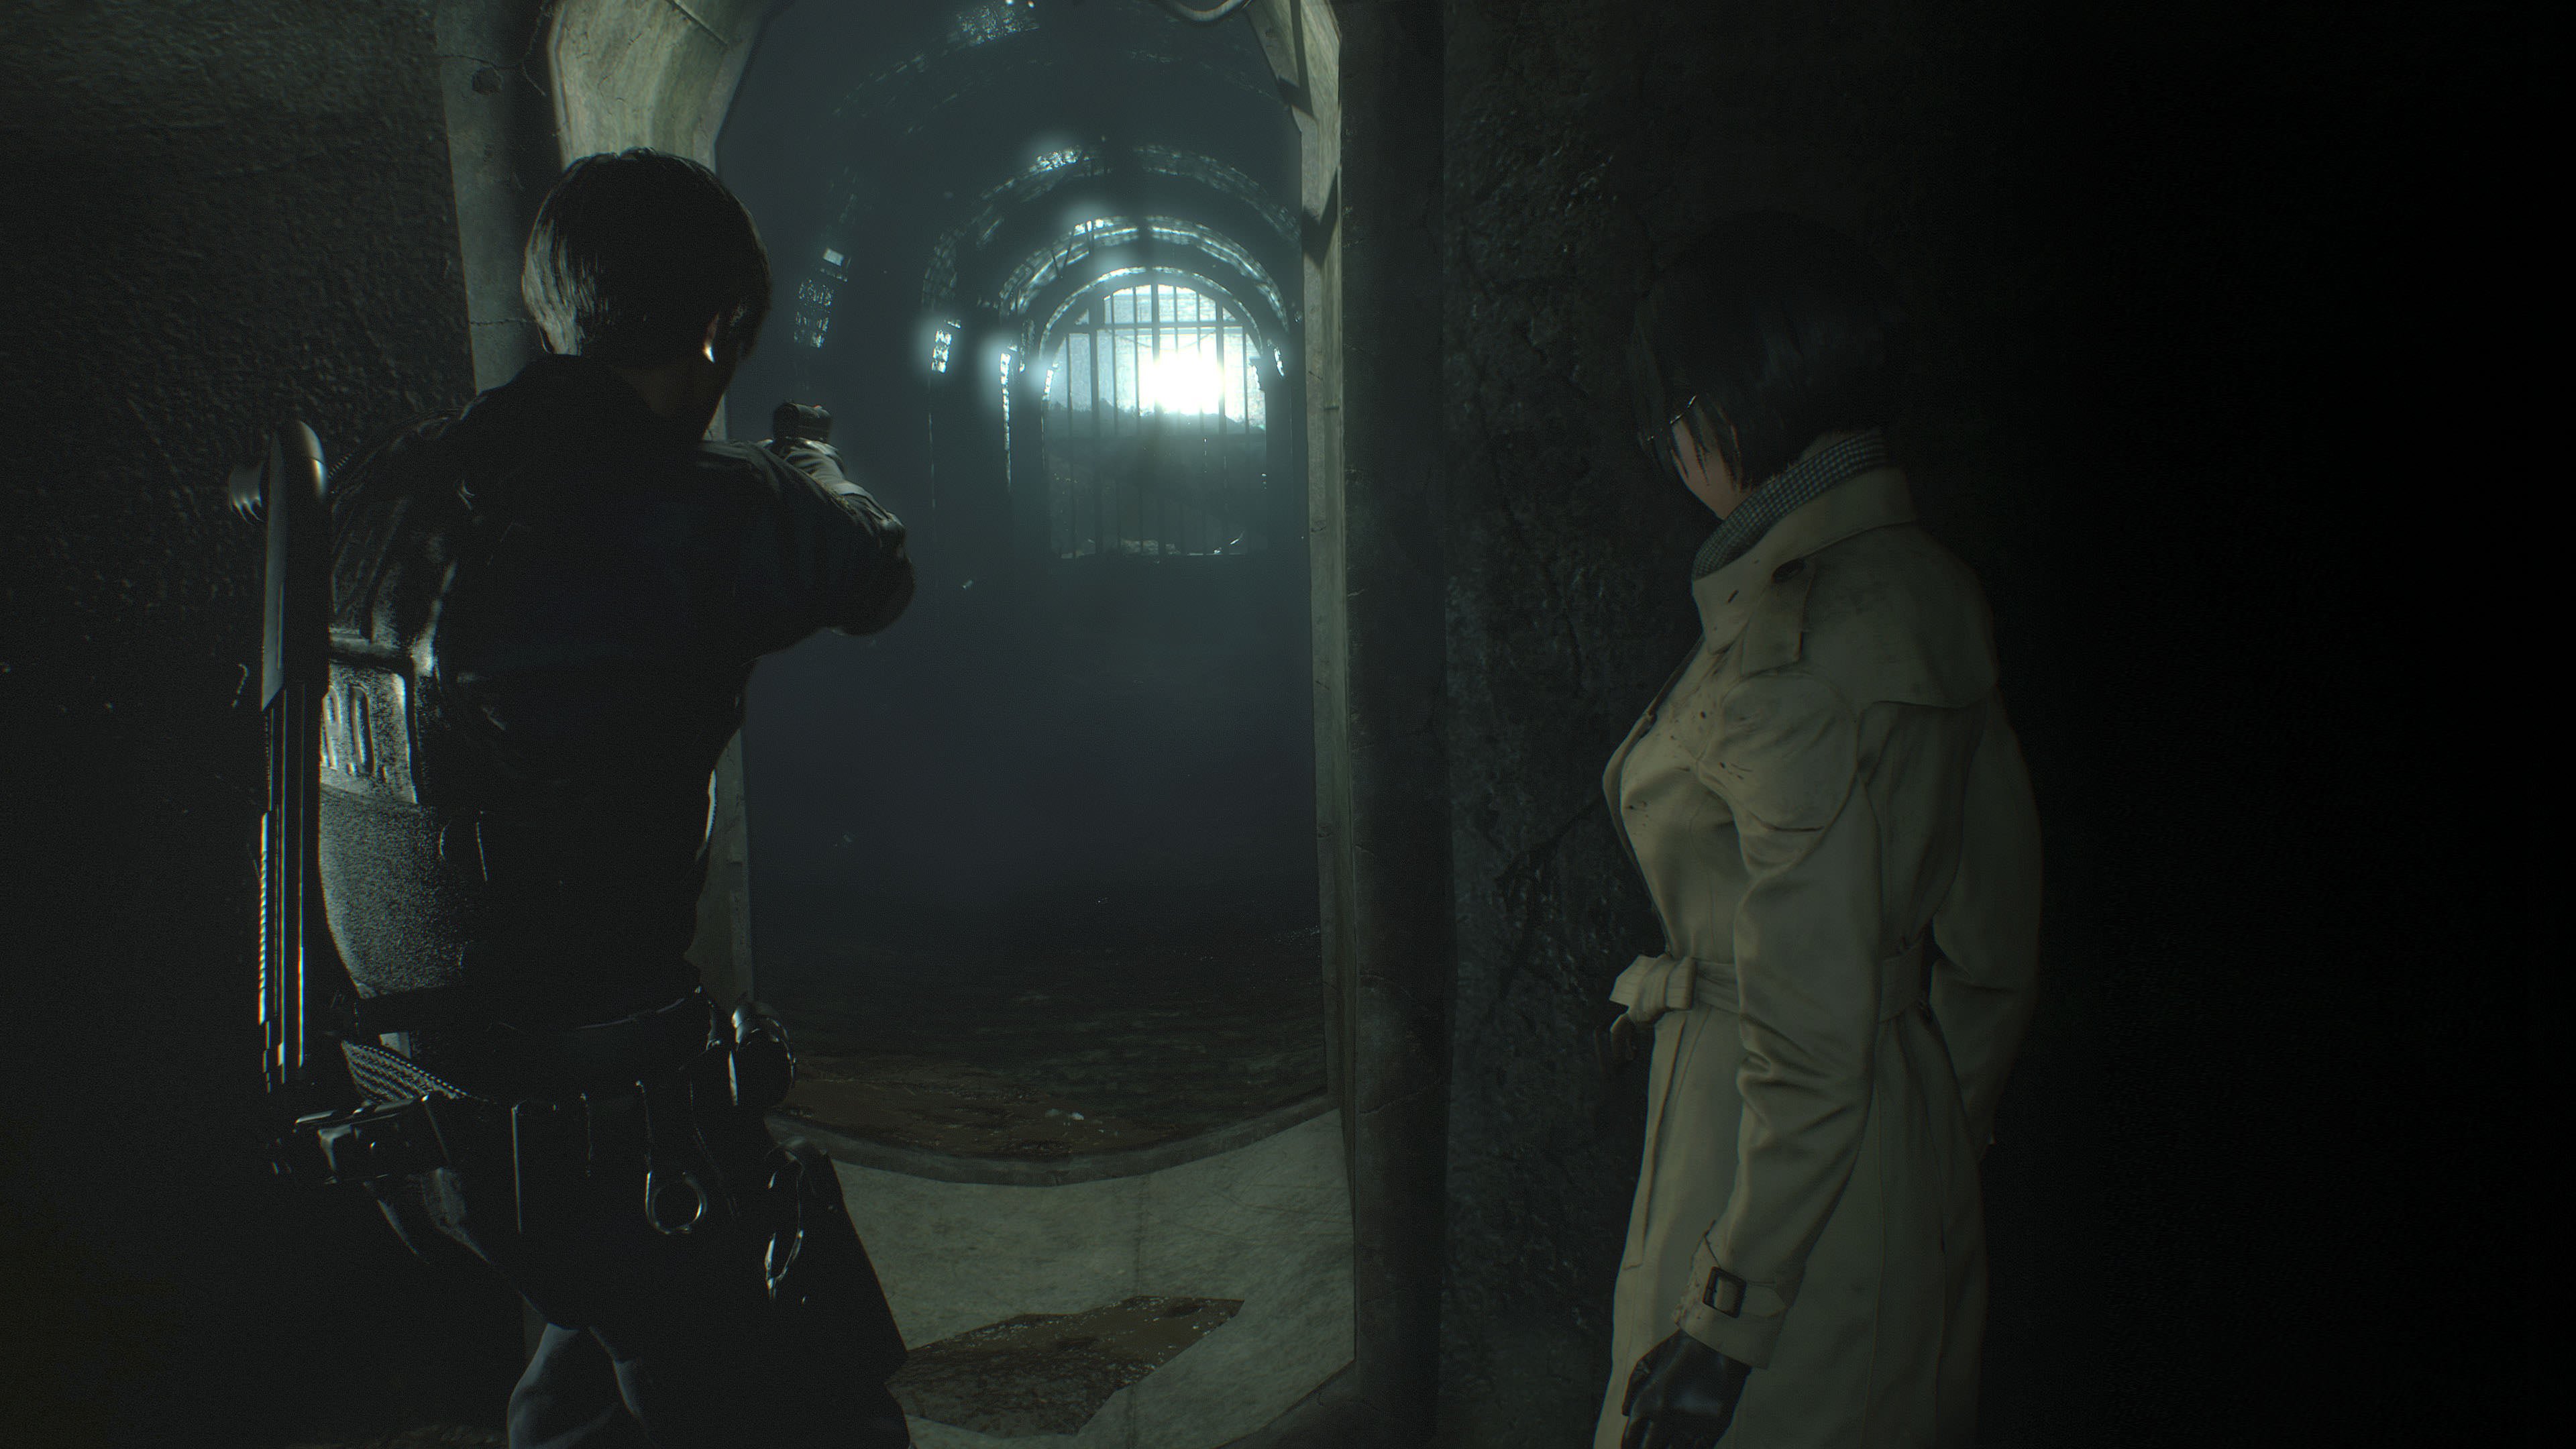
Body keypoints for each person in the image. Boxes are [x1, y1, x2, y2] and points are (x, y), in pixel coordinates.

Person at [313, 149, 917, 1448]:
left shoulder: (377, 484)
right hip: (608, 1131)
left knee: (590, 1374)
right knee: (812, 1415)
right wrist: (806, 470)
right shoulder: (697, 505)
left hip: (416, 1123)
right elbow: (875, 570)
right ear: (719, 326)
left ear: (553, 313)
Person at [1599, 213, 2043, 1449]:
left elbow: (1803, 1033)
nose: (1671, 451)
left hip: (1758, 1183)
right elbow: (1996, 947)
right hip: (1903, 1151)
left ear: (1735, 407)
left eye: (1676, 416)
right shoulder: (1930, 587)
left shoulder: (1786, 654)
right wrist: (1923, 1129)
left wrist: (1724, 1319)